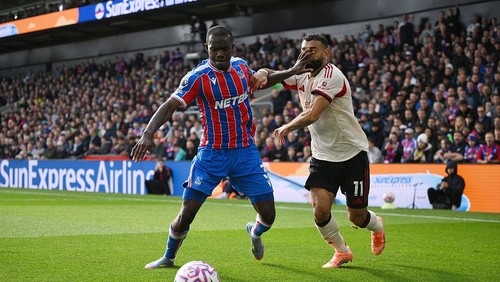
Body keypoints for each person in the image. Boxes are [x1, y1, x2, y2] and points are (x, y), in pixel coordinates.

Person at [131, 26, 281, 269]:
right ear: (206, 48)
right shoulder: (197, 77)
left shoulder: (242, 67)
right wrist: (147, 134)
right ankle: (168, 257)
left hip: (245, 152)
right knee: (187, 213)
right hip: (211, 154)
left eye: (224, 49)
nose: (220, 54)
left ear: (233, 48)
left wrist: (293, 71)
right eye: (214, 49)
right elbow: (169, 105)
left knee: (269, 215)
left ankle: (254, 232)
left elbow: (263, 80)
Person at [251, 33, 385, 268]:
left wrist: (287, 127)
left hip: (351, 153)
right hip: (323, 156)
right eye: (304, 48)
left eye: (313, 49)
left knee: (357, 216)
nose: (307, 53)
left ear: (326, 53)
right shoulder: (301, 73)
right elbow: (273, 79)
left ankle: (377, 226)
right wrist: (264, 71)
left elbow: (313, 113)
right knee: (320, 211)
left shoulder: (333, 76)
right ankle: (342, 251)